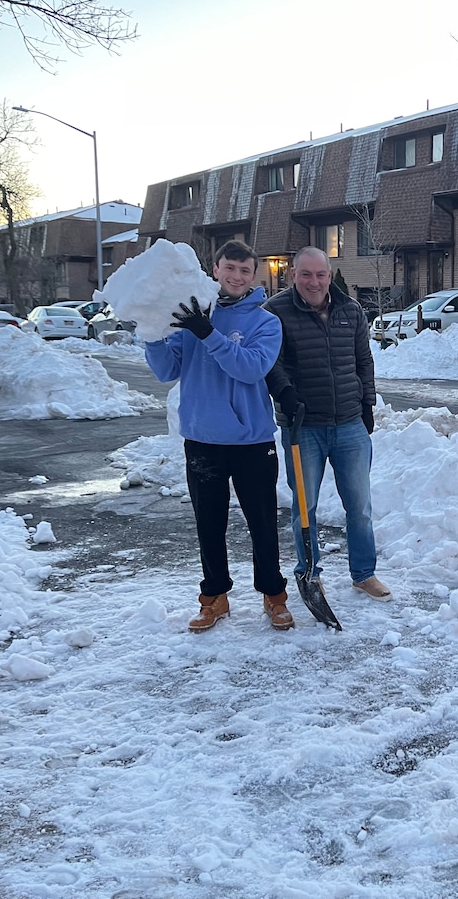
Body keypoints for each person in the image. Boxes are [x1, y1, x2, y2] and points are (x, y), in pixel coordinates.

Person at [144, 240, 294, 633]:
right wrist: (152, 331)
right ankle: (214, 599)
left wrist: (208, 333)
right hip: (203, 439)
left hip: (251, 441)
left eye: (245, 271)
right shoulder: (192, 313)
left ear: (254, 276)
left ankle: (274, 597)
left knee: (262, 522)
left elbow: (250, 369)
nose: (237, 277)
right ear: (215, 269)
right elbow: (166, 371)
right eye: (230, 268)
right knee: (209, 524)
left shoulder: (265, 322)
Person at [264, 246, 390, 602]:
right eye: (306, 274)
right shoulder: (274, 312)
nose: (313, 282)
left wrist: (367, 404)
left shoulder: (350, 310)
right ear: (293, 275)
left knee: (360, 507)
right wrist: (285, 394)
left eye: (320, 274)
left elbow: (364, 361)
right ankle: (309, 573)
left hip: (350, 423)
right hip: (302, 426)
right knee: (305, 509)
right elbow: (271, 363)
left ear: (330, 276)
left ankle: (364, 573)